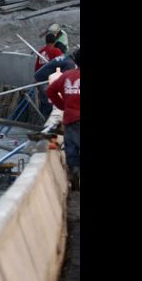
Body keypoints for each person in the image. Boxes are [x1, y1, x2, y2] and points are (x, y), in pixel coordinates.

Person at [47, 48, 80, 190]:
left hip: (71, 119)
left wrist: (62, 105)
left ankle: (74, 172)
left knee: (71, 149)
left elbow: (50, 90)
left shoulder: (67, 76)